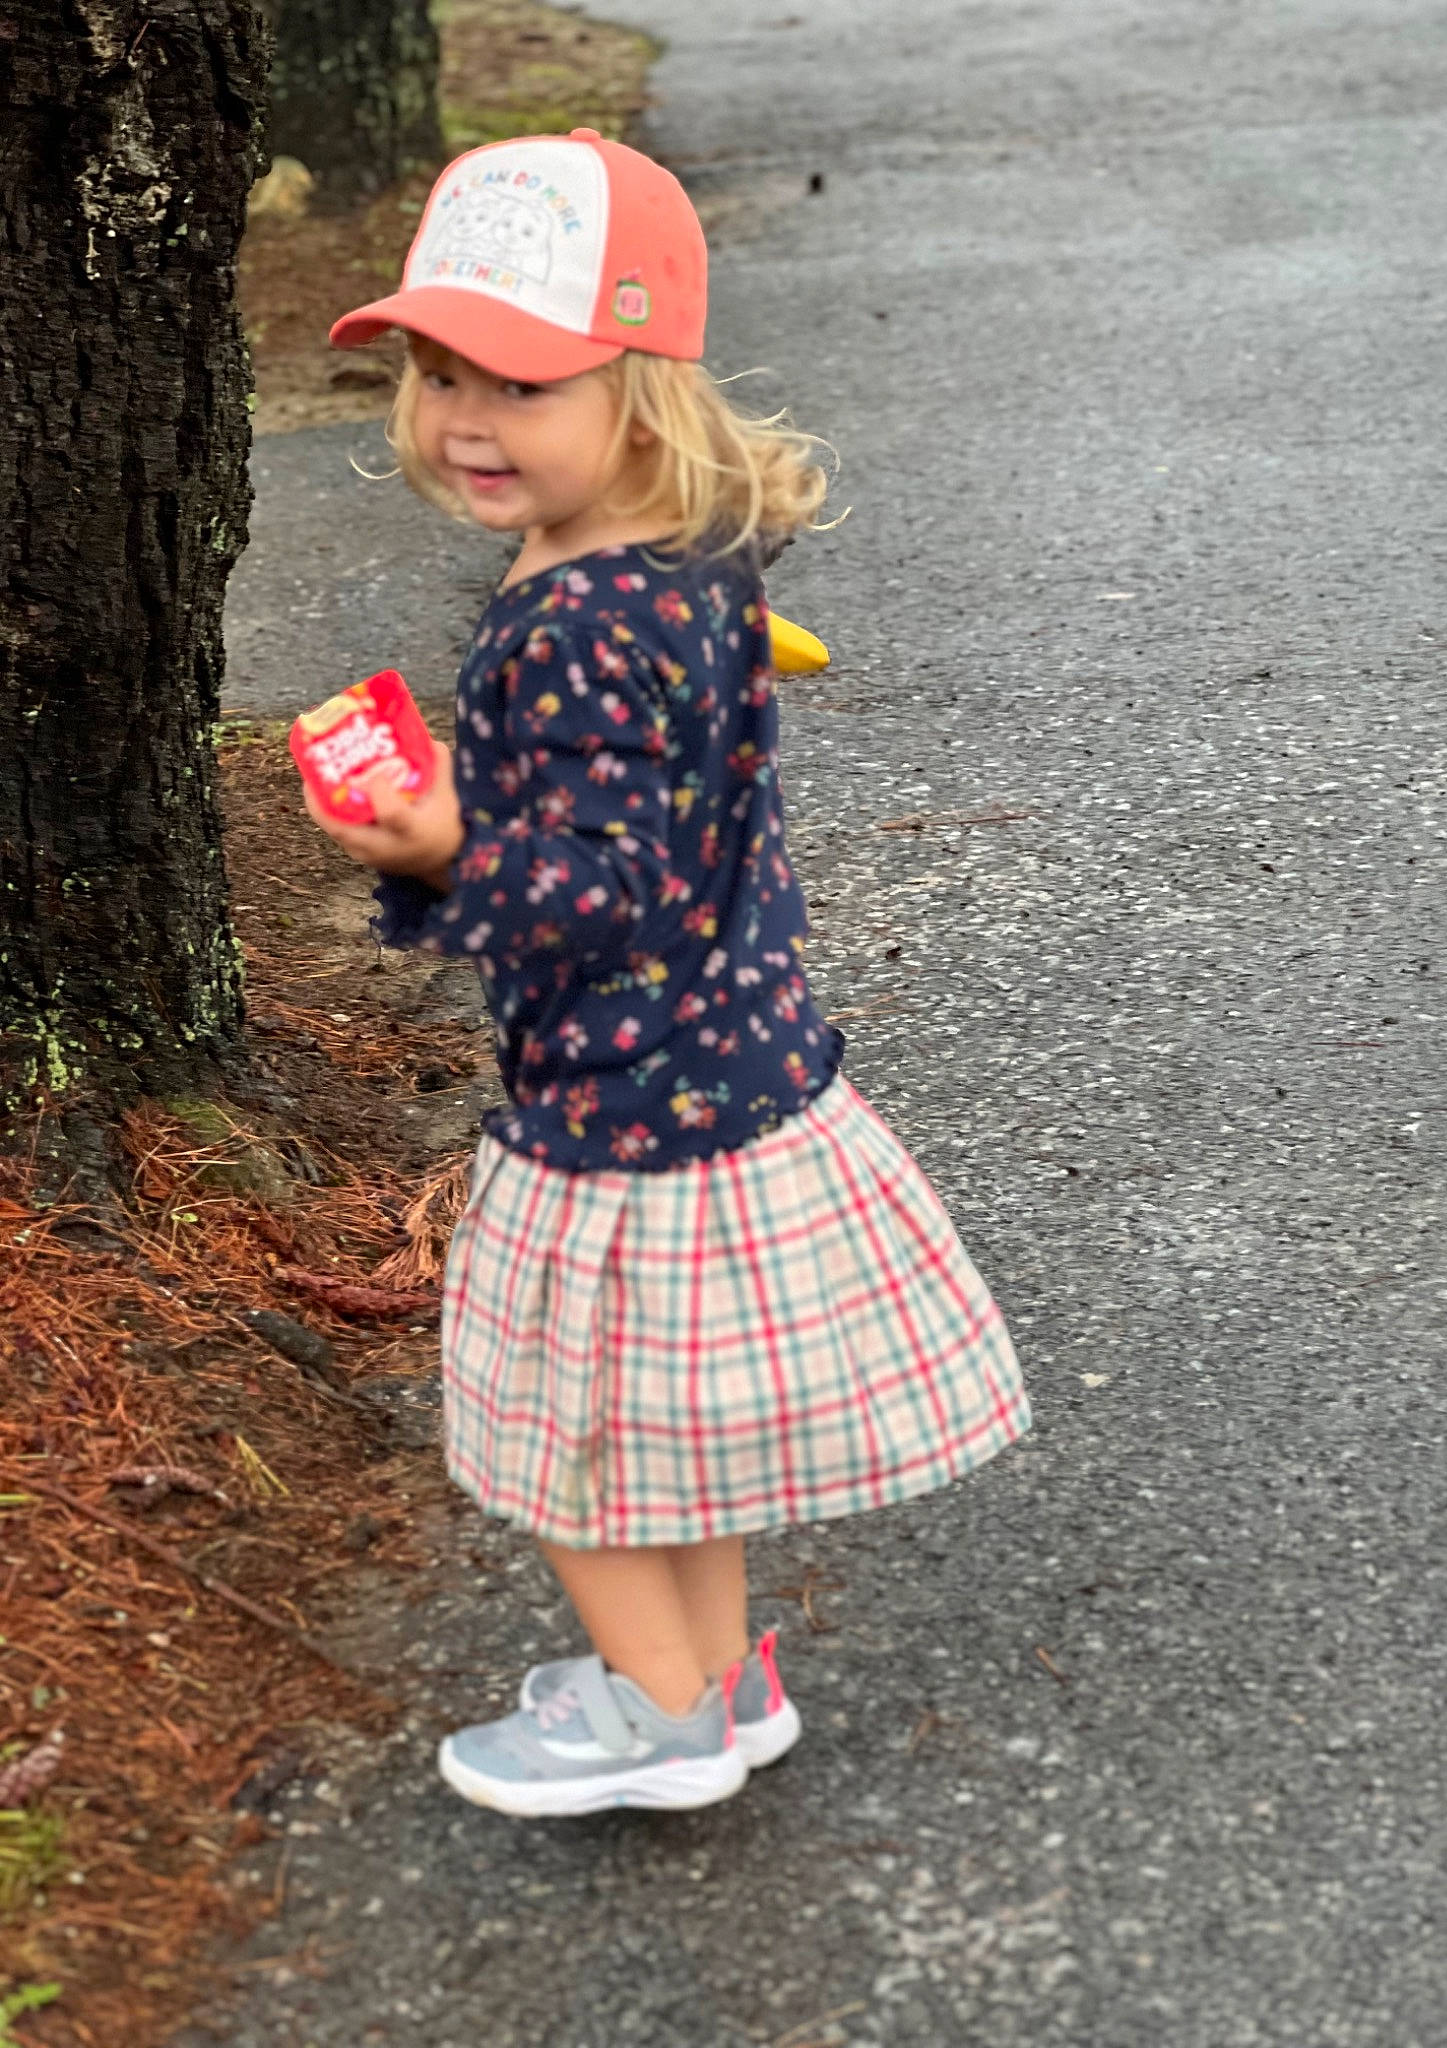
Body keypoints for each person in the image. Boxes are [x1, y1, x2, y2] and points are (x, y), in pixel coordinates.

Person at [306, 129, 1031, 1818]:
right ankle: (714, 1685)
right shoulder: (680, 562)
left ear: (640, 390)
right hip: (736, 1060)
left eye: (520, 381)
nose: (465, 419)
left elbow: (606, 889)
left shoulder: (573, 622)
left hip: (626, 1100)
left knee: (573, 1444)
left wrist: (436, 849)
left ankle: (660, 1719)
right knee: (663, 1437)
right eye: (435, 372)